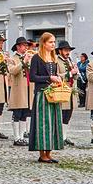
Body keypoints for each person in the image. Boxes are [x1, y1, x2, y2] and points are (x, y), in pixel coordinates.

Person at [27, 32, 64, 164]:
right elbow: (32, 77)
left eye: (54, 42)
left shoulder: (54, 58)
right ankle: (42, 153)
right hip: (42, 94)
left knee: (53, 122)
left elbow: (55, 74)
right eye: (50, 42)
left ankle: (49, 153)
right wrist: (49, 78)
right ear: (44, 43)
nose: (53, 44)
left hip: (53, 94)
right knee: (43, 123)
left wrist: (58, 79)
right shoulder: (37, 58)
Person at [7, 37, 34, 146]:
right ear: (18, 47)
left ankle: (22, 137)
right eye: (24, 45)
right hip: (18, 90)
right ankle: (16, 137)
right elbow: (12, 71)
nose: (26, 47)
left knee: (25, 114)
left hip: (28, 89)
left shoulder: (29, 58)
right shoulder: (13, 58)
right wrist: (24, 61)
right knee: (17, 114)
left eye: (26, 45)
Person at [55, 40, 79, 146]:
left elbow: (75, 77)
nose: (67, 52)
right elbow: (56, 75)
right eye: (65, 50)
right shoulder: (56, 60)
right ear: (60, 51)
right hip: (61, 90)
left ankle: (64, 137)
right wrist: (69, 73)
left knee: (68, 115)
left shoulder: (69, 60)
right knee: (61, 114)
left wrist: (75, 72)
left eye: (68, 50)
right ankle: (58, 136)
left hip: (70, 90)